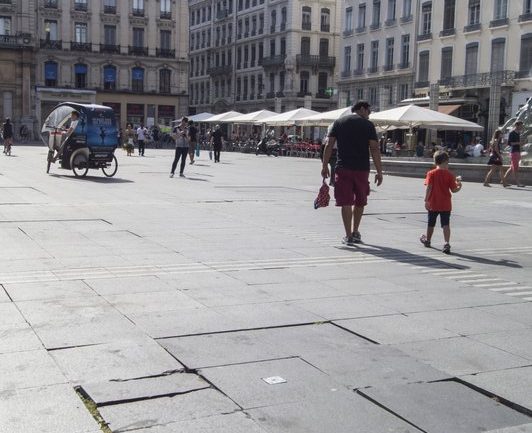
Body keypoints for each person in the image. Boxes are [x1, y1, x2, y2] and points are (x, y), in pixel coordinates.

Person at [321, 101, 383, 245]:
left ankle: (348, 236)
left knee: (346, 202)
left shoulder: (339, 122)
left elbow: (329, 145)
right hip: (362, 169)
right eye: (369, 111)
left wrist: (325, 166)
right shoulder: (368, 125)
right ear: (362, 109)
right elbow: (374, 149)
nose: (369, 114)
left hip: (343, 168)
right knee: (360, 200)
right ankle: (355, 232)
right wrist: (379, 171)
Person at [420, 151, 462, 254]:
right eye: (448, 163)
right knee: (445, 224)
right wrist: (459, 185)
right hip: (445, 204)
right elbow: (454, 190)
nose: (448, 165)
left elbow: (429, 188)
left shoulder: (431, 173)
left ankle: (428, 240)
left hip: (433, 203)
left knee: (431, 223)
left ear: (435, 162)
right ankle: (446, 243)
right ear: (445, 162)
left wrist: (426, 200)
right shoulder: (450, 175)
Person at [503, 121, 525, 187]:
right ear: (517, 125)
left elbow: (517, 143)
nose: (522, 127)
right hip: (514, 152)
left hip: (517, 151)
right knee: (515, 168)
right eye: (521, 125)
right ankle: (518, 183)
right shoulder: (512, 133)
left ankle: (503, 180)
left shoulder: (518, 133)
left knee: (511, 168)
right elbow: (510, 143)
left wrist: (521, 144)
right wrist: (518, 143)